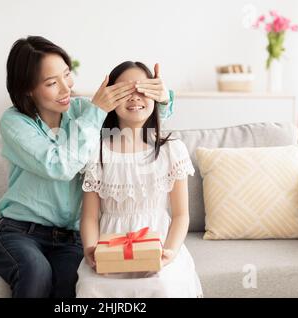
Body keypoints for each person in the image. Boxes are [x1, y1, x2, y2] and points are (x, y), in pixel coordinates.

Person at [0, 36, 175, 298]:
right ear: (27, 88)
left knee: (71, 284)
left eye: (67, 75)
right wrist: (96, 112)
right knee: (36, 273)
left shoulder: (84, 110)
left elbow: (135, 119)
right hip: (21, 232)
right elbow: (59, 165)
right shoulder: (15, 122)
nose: (66, 89)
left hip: (71, 238)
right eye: (52, 83)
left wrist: (163, 98)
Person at [76, 61, 203, 298]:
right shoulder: (97, 152)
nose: (134, 97)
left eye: (142, 90)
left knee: (163, 285)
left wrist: (170, 252)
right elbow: (90, 217)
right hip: (110, 250)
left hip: (158, 248)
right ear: (110, 100)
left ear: (156, 96)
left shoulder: (171, 150)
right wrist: (90, 250)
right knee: (92, 288)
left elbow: (180, 215)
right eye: (125, 91)